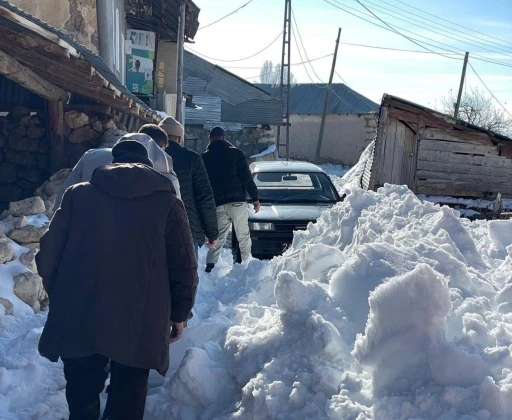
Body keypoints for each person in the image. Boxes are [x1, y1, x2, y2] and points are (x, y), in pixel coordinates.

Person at [36, 140, 197, 420]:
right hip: (141, 316)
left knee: (82, 390)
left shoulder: (77, 196)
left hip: (81, 310)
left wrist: (60, 293)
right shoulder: (167, 202)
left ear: (109, 164)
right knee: (129, 392)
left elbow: (47, 254)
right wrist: (180, 314)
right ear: (148, 166)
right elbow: (184, 265)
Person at [54, 126, 180, 210]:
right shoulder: (166, 176)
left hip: (88, 240)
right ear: (161, 147)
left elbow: (63, 200)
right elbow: (177, 222)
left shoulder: (91, 157)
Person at [159, 116, 219, 261]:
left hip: (155, 228)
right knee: (187, 278)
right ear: (180, 138)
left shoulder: (147, 157)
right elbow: (205, 197)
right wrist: (212, 233)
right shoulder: (192, 158)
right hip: (187, 228)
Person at [201, 127, 260, 273]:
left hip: (218, 203)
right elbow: (246, 178)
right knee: (243, 235)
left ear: (210, 139)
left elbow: (202, 184)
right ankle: (247, 265)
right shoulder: (236, 153)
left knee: (219, 236)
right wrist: (255, 198)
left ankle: (210, 266)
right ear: (224, 137)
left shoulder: (204, 158)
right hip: (237, 202)